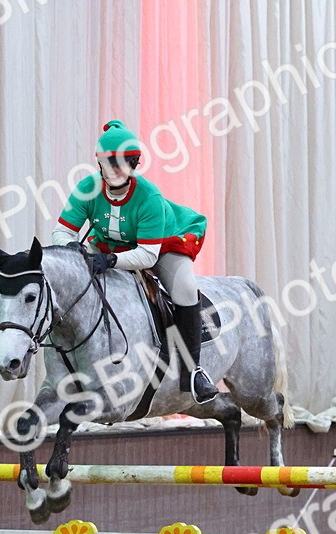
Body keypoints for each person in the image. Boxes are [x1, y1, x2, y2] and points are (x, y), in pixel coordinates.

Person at [51, 120, 217, 404]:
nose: (115, 171)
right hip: (109, 245)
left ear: (134, 164)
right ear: (99, 163)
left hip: (161, 246)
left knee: (186, 289)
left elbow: (147, 256)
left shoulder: (149, 196)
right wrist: (74, 250)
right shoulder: (87, 188)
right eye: (109, 163)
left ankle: (193, 371)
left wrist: (110, 260)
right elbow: (62, 231)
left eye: (123, 164)